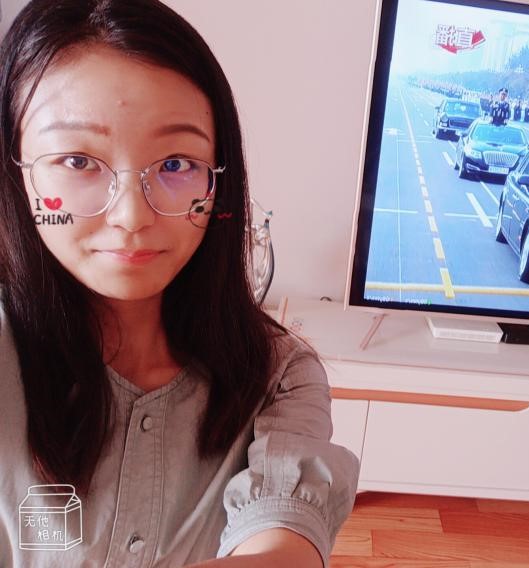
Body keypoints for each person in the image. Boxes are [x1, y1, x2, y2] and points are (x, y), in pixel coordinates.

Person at [0, 1, 359, 567]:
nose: (131, 216)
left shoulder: (278, 374)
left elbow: (284, 544)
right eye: (76, 161)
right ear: (15, 169)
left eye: (175, 165)